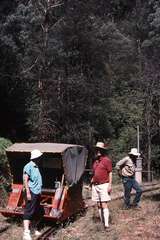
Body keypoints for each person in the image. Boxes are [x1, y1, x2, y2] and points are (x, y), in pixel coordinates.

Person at [23, 149, 44, 240]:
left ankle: (33, 228)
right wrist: (28, 192)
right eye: (39, 157)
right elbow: (25, 180)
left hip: (36, 192)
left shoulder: (36, 166)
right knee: (28, 211)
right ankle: (26, 233)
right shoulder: (28, 166)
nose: (40, 158)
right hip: (31, 192)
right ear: (36, 157)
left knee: (37, 211)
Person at [91, 142, 112, 230]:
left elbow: (110, 172)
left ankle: (106, 225)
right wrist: (92, 180)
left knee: (104, 204)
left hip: (104, 185)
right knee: (98, 204)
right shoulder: (95, 161)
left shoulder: (107, 160)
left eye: (100, 150)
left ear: (103, 151)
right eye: (97, 149)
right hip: (95, 185)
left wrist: (110, 185)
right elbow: (95, 173)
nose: (98, 151)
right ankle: (102, 221)